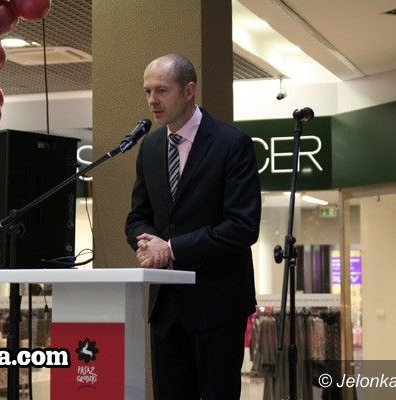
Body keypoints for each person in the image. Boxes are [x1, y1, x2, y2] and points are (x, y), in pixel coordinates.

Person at [126, 54, 261, 399]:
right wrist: (146, 243)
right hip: (166, 308)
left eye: (161, 90)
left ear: (189, 91)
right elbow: (137, 217)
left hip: (218, 305)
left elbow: (242, 226)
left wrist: (172, 248)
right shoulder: (150, 146)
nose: (152, 100)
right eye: (147, 91)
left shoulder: (232, 143)